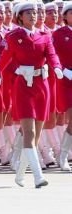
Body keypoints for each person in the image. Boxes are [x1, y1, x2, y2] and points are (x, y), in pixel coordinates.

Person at [0, 2, 63, 188]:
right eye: (28, 13)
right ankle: (37, 176)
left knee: (36, 135)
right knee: (30, 131)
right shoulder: (13, 36)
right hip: (23, 86)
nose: (33, 16)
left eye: (34, 12)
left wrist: (57, 68)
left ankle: (20, 174)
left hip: (41, 86)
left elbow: (51, 55)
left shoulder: (44, 36)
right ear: (20, 17)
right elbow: (4, 60)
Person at [52, 3, 72, 171]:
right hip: (66, 81)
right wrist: (65, 71)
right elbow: (52, 56)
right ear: (65, 16)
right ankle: (63, 156)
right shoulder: (58, 34)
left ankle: (63, 155)